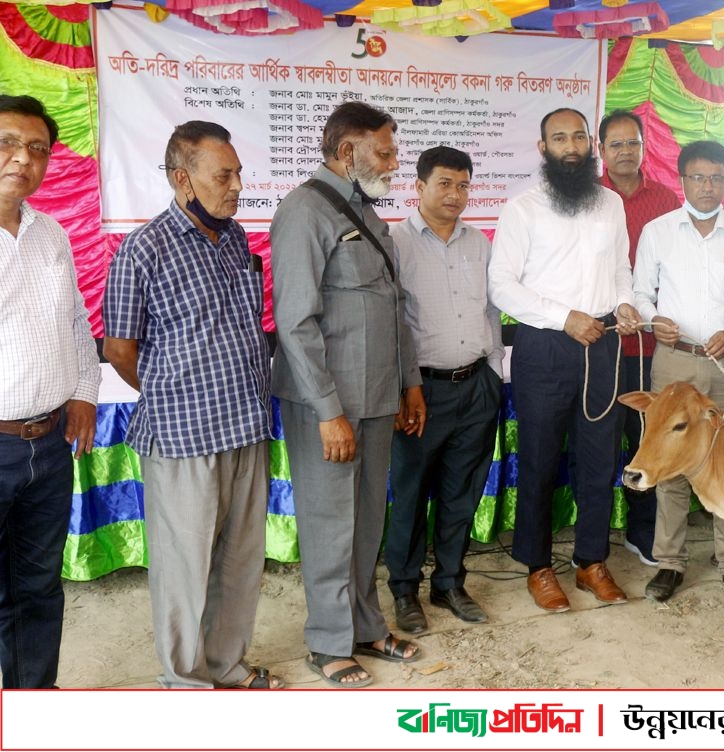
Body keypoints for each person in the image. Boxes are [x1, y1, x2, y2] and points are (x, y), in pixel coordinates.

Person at [102, 121, 280, 689]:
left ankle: (227, 666)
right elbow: (120, 349)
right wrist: (171, 389)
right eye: (223, 175)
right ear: (183, 179)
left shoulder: (233, 240)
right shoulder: (143, 249)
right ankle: (186, 682)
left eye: (238, 174)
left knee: (239, 562)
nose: (236, 186)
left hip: (246, 425)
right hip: (183, 437)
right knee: (184, 572)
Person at [271, 101, 423, 688]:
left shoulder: (369, 212)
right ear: (345, 152)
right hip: (326, 405)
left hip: (380, 397)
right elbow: (296, 323)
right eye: (383, 151)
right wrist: (328, 412)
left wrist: (409, 384)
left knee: (363, 523)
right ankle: (328, 642)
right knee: (329, 521)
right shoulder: (304, 210)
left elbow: (392, 309)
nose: (393, 160)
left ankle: (365, 626)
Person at [488, 108, 640, 613]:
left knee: (600, 461)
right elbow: (502, 285)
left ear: (590, 144)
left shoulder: (611, 205)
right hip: (545, 347)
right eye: (559, 138)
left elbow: (621, 270)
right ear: (543, 148)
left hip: (603, 344)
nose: (571, 146)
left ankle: (591, 562)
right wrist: (563, 317)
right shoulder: (523, 208)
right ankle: (538, 566)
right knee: (539, 460)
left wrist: (624, 304)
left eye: (578, 136)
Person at [633, 141, 724, 602]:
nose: (707, 187)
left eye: (715, 178)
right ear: (681, 180)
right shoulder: (658, 231)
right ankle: (669, 562)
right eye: (697, 178)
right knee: (668, 463)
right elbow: (639, 292)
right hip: (674, 361)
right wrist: (655, 321)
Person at [0, 94, 99, 688]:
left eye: (37, 149)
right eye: (7, 143)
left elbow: (75, 323)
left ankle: (34, 699)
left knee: (38, 583)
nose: (23, 159)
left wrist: (84, 391)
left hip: (49, 442)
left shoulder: (51, 233)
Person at [384, 146, 504, 634]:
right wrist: (398, 388)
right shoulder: (393, 243)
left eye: (463, 185)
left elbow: (492, 312)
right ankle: (405, 589)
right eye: (444, 184)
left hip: (476, 386)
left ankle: (450, 581)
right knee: (411, 494)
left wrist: (493, 372)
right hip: (420, 393)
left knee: (461, 493)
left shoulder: (480, 244)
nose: (455, 195)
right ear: (419, 187)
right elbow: (390, 322)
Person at [597, 109, 680, 568]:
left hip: (653, 349)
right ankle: (593, 536)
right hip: (602, 345)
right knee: (600, 440)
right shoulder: (589, 199)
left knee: (647, 441)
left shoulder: (666, 201)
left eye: (633, 144)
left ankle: (642, 531)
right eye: (616, 144)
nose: (626, 152)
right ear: (602, 150)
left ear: (644, 147)